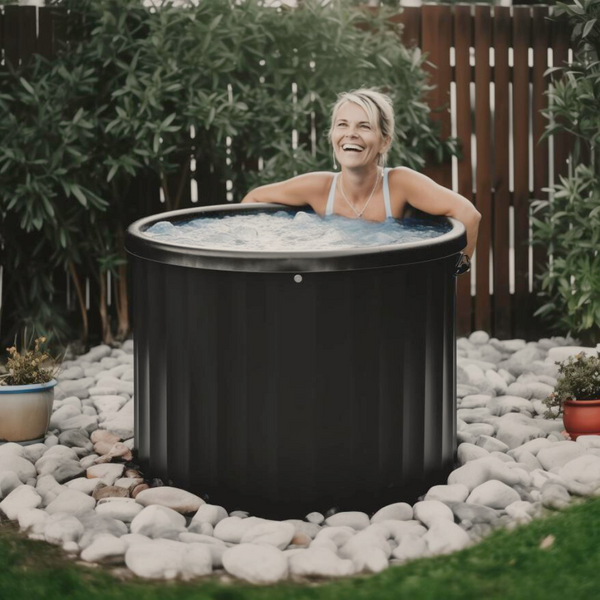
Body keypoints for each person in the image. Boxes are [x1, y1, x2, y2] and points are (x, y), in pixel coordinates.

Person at [241, 88, 481, 261]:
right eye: (342, 125)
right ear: (333, 136)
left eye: (364, 126)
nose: (351, 134)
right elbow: (252, 200)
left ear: (384, 142)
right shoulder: (319, 187)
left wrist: (457, 269)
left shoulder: (399, 184)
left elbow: (469, 214)